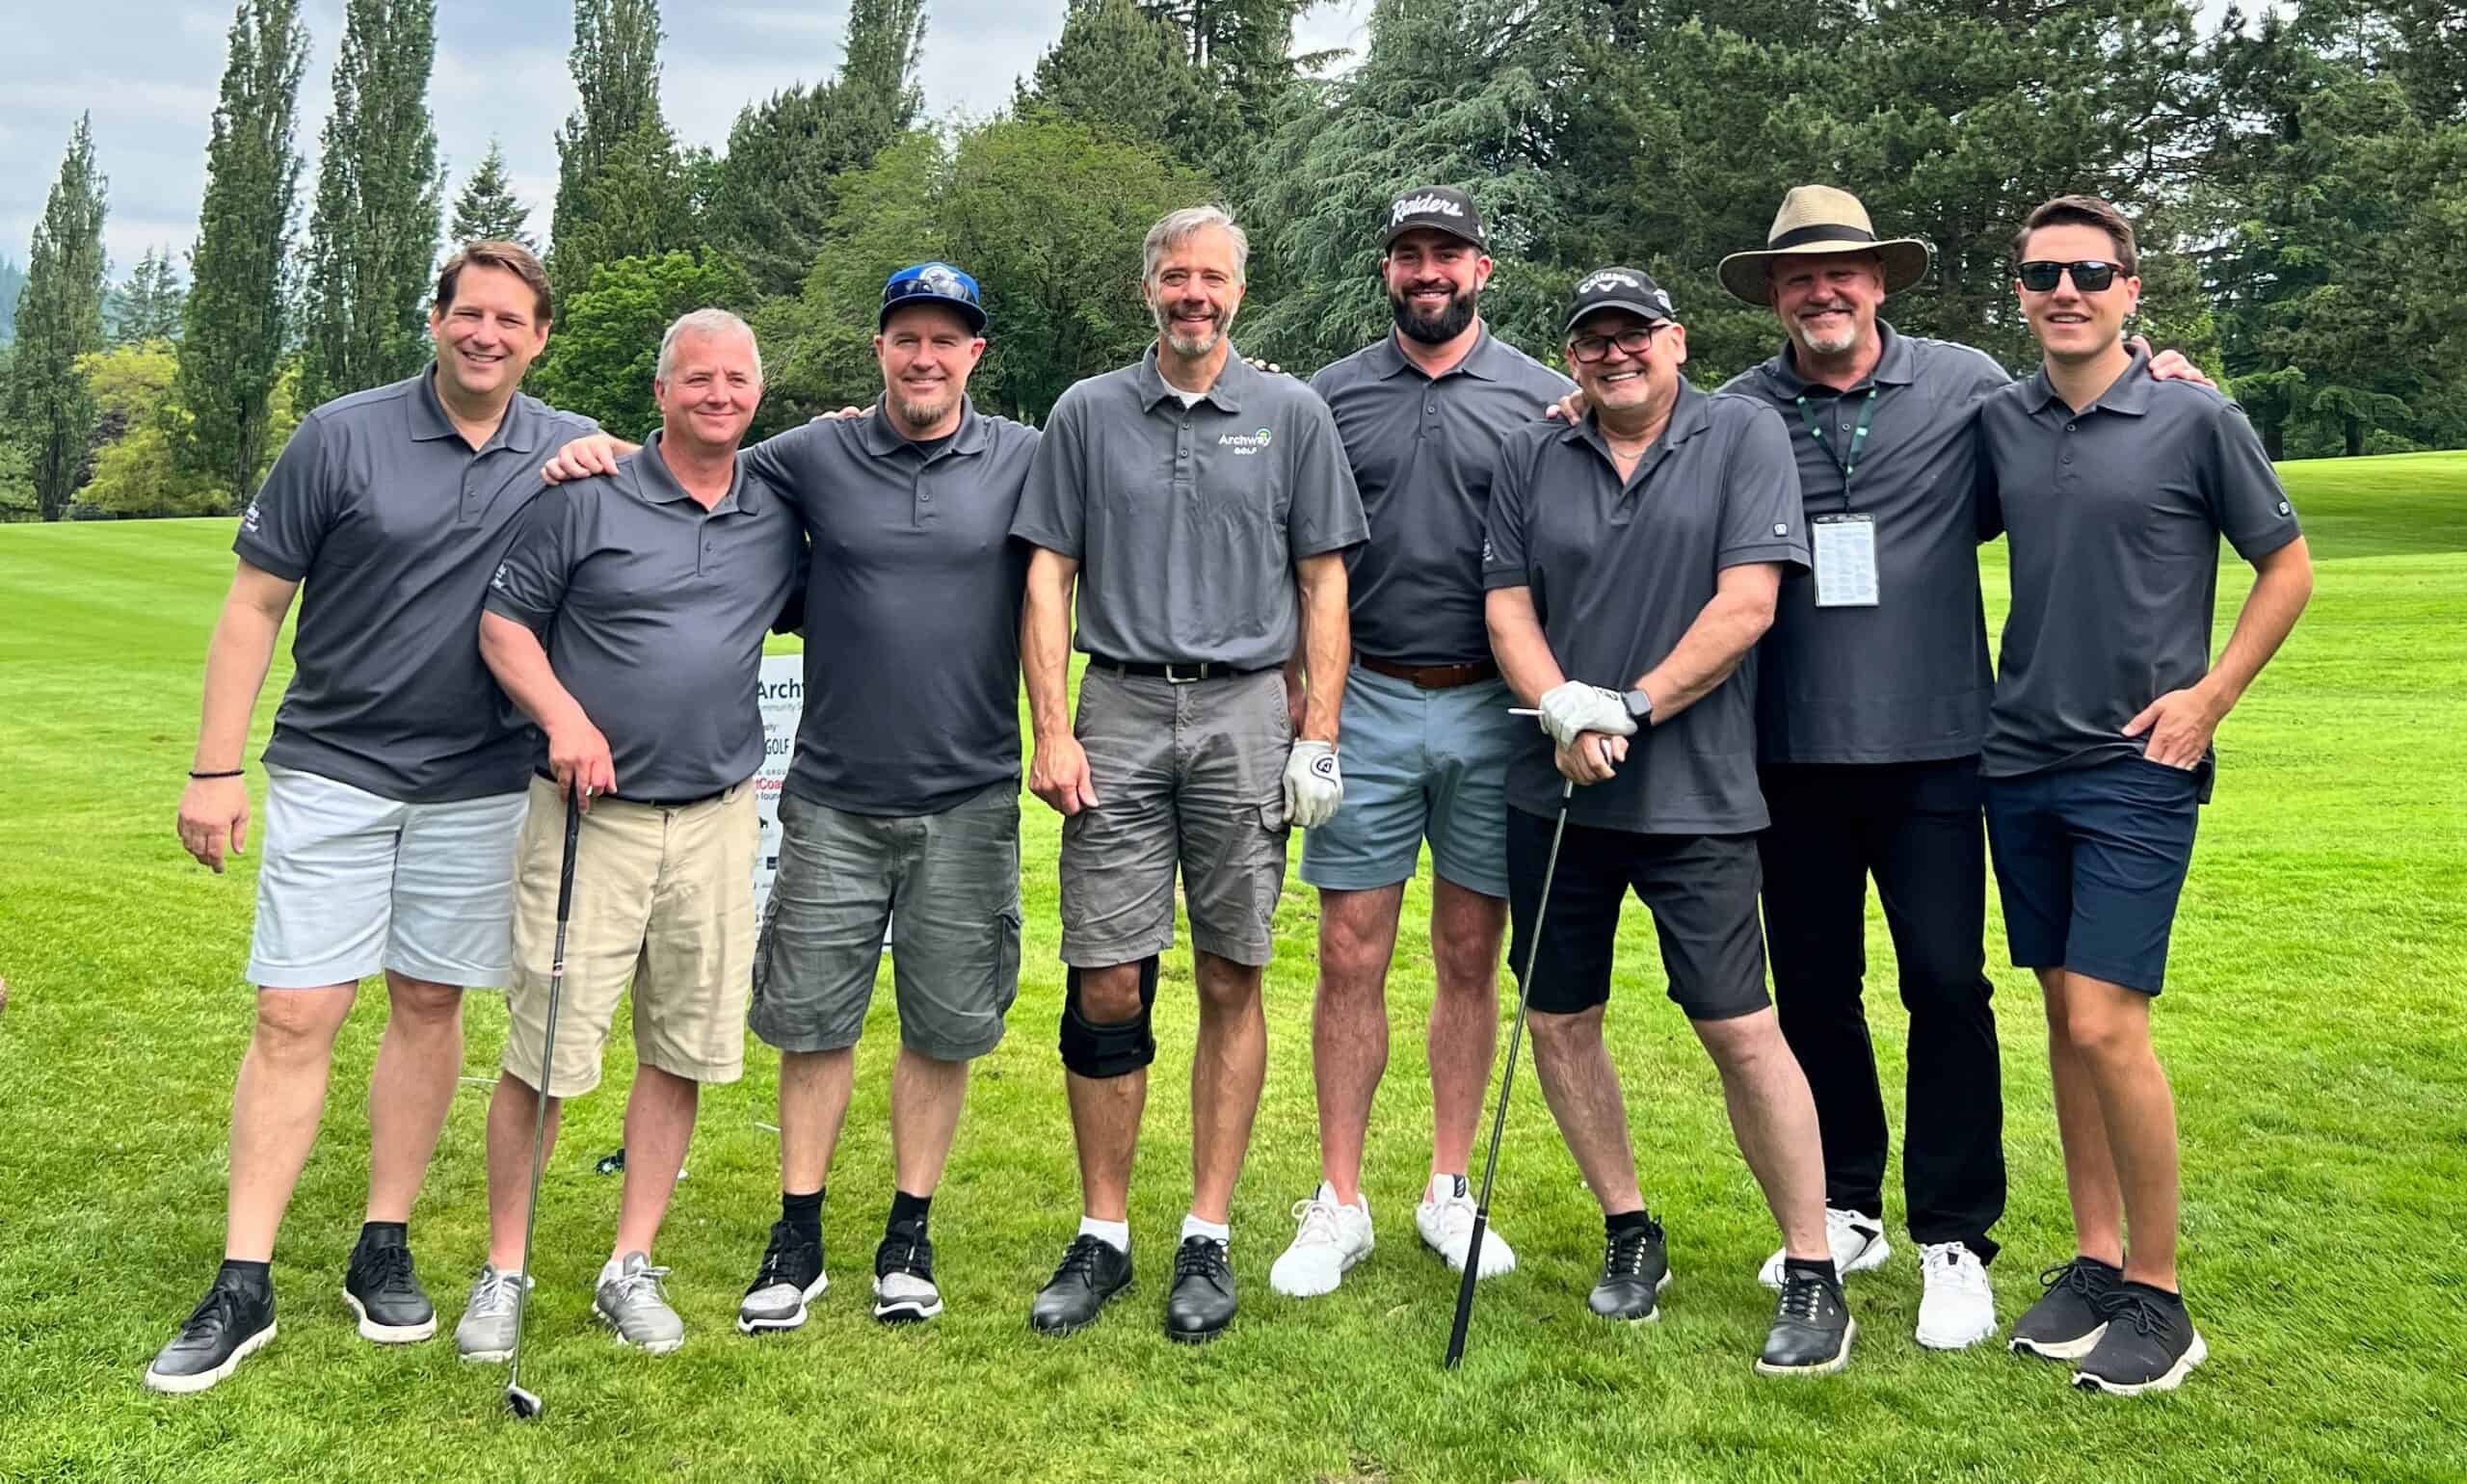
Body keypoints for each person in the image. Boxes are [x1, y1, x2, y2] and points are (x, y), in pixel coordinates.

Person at [148, 242, 597, 1395]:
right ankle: (243, 1277)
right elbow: (255, 603)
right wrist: (213, 768)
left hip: (480, 779)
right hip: (335, 765)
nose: (486, 334)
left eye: (510, 319)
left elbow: (690, 476)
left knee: (430, 1002)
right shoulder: (339, 435)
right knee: (296, 1009)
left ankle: (381, 1242)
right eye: (468, 313)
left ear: (540, 337)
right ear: (435, 320)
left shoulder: (570, 448)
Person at [1484, 267, 1854, 1376]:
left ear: (1675, 341)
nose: (1614, 353)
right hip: (1555, 788)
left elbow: (1748, 603)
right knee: (1559, 1017)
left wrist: (1630, 706)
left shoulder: (1739, 435)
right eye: (1592, 340)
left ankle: (1811, 1265)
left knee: (1738, 1026)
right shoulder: (1532, 451)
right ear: (1572, 357)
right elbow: (1506, 603)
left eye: (1633, 334)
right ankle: (1627, 1225)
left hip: (1695, 791)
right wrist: (1560, 704)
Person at [1011, 204, 1366, 1343]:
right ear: (1148, 288)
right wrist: (1052, 728)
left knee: (1229, 972)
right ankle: (1103, 1232)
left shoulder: (1290, 414)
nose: (1193, 294)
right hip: (1116, 704)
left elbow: (1323, 580)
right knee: (1106, 977)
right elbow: (1047, 573)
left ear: (1238, 291)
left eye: (1211, 277)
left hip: (1244, 710)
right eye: (1175, 276)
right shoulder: (1086, 411)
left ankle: (1205, 1233)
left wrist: (1318, 732)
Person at [1981, 196, 2310, 1396]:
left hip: (2135, 765)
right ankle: (2094, 1260)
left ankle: (2160, 1299)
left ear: (2130, 288)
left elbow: (2287, 566)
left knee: (2109, 1022)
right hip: (2017, 760)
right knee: (2064, 1017)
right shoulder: (2000, 421)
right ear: (2020, 292)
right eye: (2041, 274)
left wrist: (2209, 697)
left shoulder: (2195, 416)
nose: (2064, 291)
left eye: (2088, 272)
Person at [456, 309, 802, 1359]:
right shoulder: (586, 493)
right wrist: (563, 719)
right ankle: (504, 1267)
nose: (718, 394)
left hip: (718, 819)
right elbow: (503, 626)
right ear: (661, 393)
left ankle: (630, 1262)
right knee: (546, 1052)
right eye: (697, 378)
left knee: (682, 1047)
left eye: (736, 379)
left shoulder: (774, 509)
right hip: (589, 821)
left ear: (757, 394)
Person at [1269, 187, 1573, 1300]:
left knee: (1468, 951)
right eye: (1410, 254)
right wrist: (1306, 700)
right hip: (1368, 700)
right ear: (1388, 270)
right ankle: (1339, 1199)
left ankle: (1448, 1187)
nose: (1428, 271)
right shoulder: (1328, 397)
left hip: (1496, 705)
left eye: (1448, 254)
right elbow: (1294, 559)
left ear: (1482, 269)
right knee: (1349, 950)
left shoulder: (1543, 397)